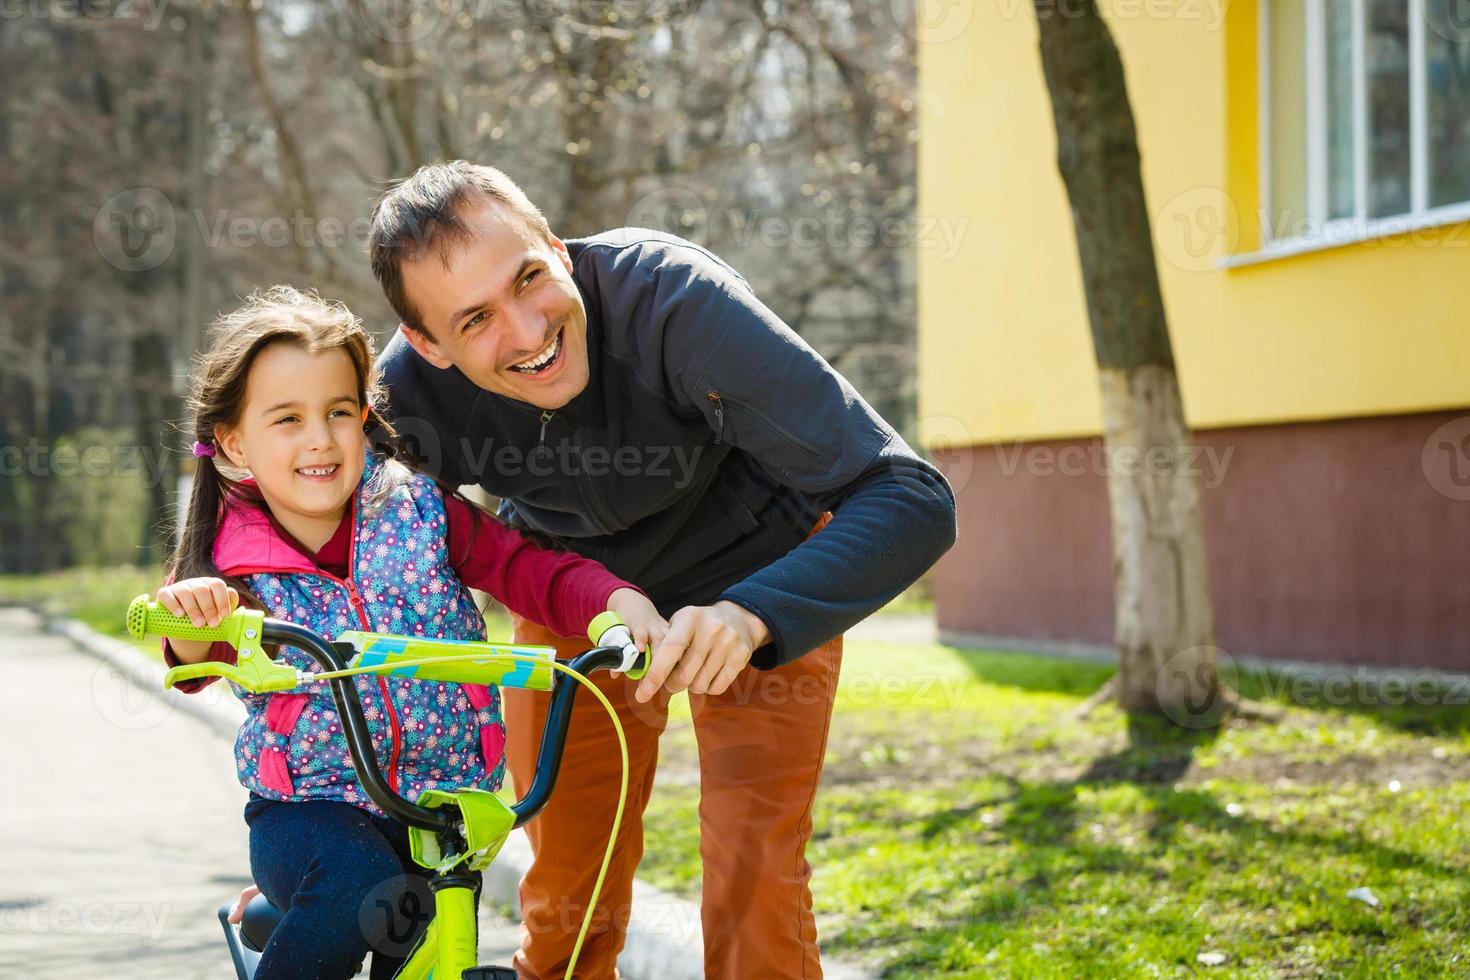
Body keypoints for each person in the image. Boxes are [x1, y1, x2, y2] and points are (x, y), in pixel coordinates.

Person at [368, 161, 958, 978]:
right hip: (571, 593)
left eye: (529, 277)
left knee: (755, 872)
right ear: (429, 345)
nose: (528, 331)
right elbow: (314, 530)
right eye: (475, 320)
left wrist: (753, 615)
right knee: (569, 892)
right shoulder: (402, 399)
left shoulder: (677, 302)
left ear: (557, 247)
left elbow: (912, 496)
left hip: (759, 572)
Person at [156, 285, 667, 980]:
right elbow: (196, 661)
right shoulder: (233, 564)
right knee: (359, 882)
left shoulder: (418, 509)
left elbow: (524, 567)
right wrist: (195, 618)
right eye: (287, 419)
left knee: (427, 947)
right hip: (310, 811)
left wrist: (610, 601)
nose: (319, 437)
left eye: (339, 412)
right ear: (234, 442)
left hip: (440, 809)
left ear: (364, 417)